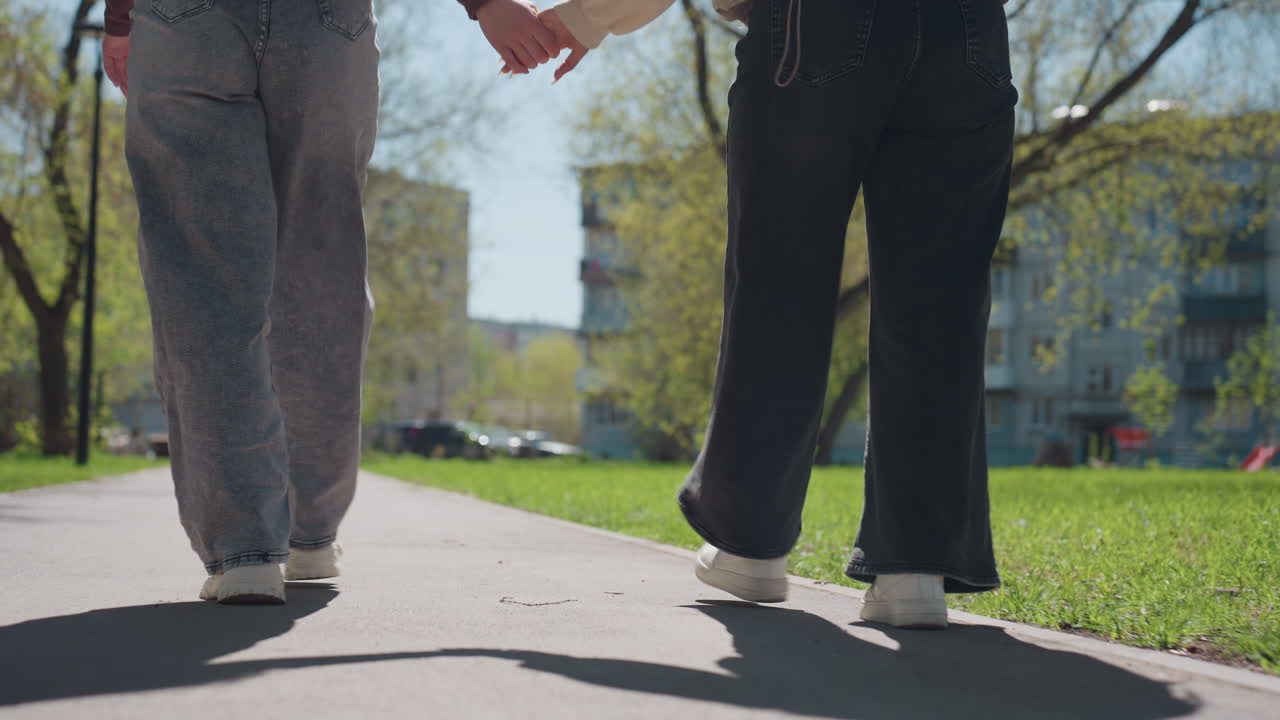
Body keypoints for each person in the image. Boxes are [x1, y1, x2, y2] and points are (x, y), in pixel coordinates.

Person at [507, 0, 1018, 628]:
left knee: (781, 277)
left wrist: (586, 18)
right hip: (968, 35)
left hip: (817, 31)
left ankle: (749, 546)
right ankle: (915, 571)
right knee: (941, 301)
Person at [101, 0, 382, 603]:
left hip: (185, 20)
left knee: (204, 274)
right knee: (319, 269)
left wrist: (121, 20)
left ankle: (244, 551)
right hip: (326, 21)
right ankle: (310, 534)